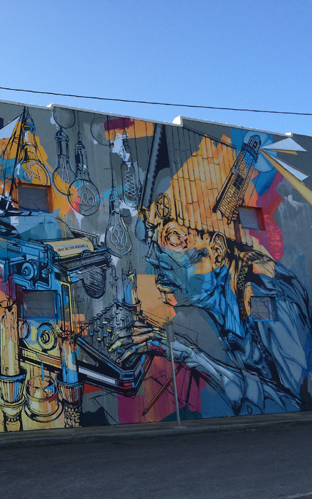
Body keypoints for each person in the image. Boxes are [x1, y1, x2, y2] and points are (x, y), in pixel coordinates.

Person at [111, 142, 312, 416]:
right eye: (156, 243)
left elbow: (296, 404)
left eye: (173, 239)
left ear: (216, 250)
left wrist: (192, 356)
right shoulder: (222, 296)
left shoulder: (265, 298)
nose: (157, 260)